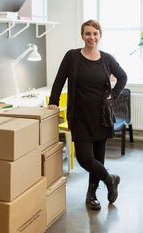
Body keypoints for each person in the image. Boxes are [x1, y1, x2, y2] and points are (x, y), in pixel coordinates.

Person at [48, 19, 127, 210]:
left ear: (100, 35)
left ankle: (91, 195)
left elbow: (123, 77)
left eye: (95, 33)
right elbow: (59, 79)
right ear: (82, 36)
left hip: (101, 116)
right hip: (80, 116)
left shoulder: (107, 59)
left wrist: (113, 94)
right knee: (85, 159)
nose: (91, 37)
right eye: (88, 33)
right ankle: (110, 179)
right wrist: (53, 102)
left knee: (98, 159)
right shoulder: (72, 57)